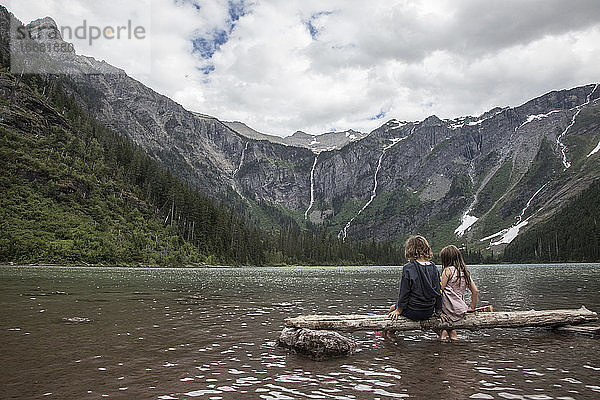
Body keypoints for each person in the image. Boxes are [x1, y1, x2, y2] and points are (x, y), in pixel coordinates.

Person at [388, 235, 443, 321]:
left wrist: (398, 310)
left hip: (413, 311)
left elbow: (404, 292)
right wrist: (438, 310)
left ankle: (386, 332)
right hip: (429, 311)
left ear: (410, 249)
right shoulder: (434, 267)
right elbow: (439, 291)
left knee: (392, 308)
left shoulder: (408, 268)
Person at [439, 245, 479, 341]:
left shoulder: (447, 271)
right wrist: (472, 307)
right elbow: (475, 291)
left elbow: (439, 290)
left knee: (443, 328)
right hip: (461, 308)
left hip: (448, 308)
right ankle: (455, 345)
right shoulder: (464, 272)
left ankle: (442, 344)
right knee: (451, 330)